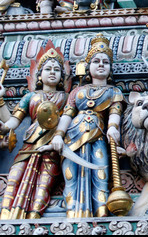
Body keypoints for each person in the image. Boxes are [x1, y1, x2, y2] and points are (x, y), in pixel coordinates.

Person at [50, 34, 124, 218]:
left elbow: (115, 112)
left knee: (101, 175)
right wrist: (58, 135)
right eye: (96, 61)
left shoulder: (114, 91)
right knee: (71, 177)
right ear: (87, 66)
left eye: (105, 62)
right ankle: (73, 213)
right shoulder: (78, 91)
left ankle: (100, 214)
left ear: (110, 69)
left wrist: (113, 127)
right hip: (72, 138)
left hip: (98, 137)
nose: (101, 65)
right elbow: (67, 114)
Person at [0, 41, 71, 219]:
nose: (53, 72)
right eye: (48, 69)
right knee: (14, 179)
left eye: (56, 70)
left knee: (43, 185)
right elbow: (12, 122)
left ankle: (33, 218)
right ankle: (7, 216)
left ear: (62, 76)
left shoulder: (67, 97)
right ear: (39, 75)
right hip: (29, 146)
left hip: (51, 149)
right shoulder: (30, 97)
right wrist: (1, 104)